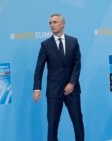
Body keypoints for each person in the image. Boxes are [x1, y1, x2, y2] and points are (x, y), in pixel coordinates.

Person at [33, 13, 84, 141]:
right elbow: (39, 68)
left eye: (55, 22)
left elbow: (77, 64)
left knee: (78, 122)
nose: (52, 25)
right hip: (54, 91)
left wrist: (72, 83)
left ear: (63, 24)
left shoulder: (73, 41)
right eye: (50, 23)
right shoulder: (45, 45)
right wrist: (37, 89)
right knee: (52, 126)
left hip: (72, 91)